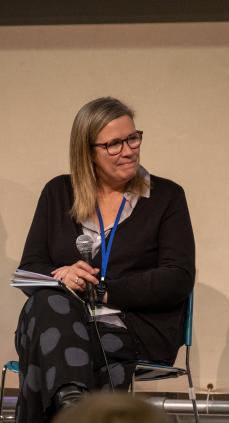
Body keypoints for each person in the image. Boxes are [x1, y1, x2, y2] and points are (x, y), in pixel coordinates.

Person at [14, 97, 195, 422]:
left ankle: (70, 406)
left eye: (132, 138)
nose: (128, 150)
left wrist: (106, 291)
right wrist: (63, 277)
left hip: (132, 327)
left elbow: (177, 277)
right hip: (59, 320)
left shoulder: (167, 197)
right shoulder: (58, 192)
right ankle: (73, 403)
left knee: (48, 348)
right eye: (114, 144)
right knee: (49, 304)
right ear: (87, 151)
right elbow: (28, 271)